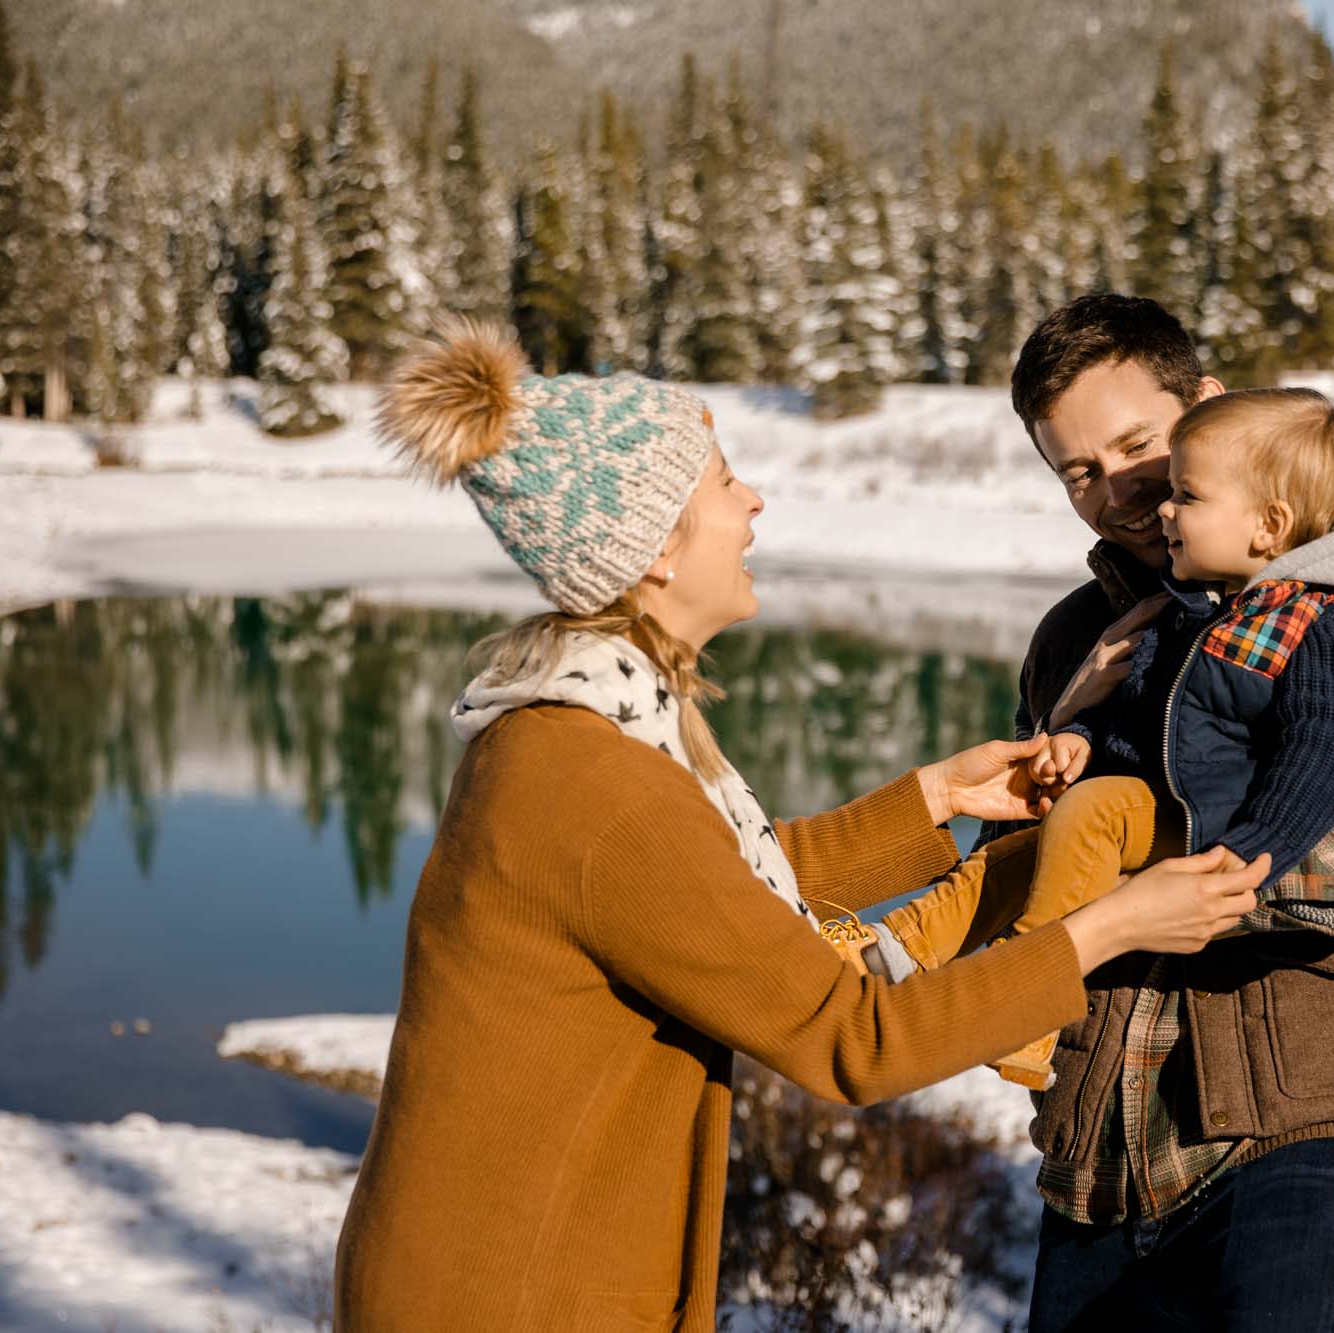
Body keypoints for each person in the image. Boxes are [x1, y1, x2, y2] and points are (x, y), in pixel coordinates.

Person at [331, 320, 1271, 1332]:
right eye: (723, 485)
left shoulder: (573, 736)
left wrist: (936, 801)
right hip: (514, 1295)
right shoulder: (592, 781)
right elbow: (852, 1038)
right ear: (654, 553)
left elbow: (707, 892)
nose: (752, 503)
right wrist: (1108, 926)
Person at [896, 294, 1334, 1333]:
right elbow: (1025, 870)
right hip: (1106, 1138)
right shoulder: (1073, 637)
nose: (1119, 487)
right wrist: (1066, 714)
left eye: (1136, 444)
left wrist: (1220, 881)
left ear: (1209, 405)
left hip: (1299, 1107)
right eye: (1077, 470)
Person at [875, 387, 1334, 1097]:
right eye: (1080, 471)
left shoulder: (1333, 620)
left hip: (1217, 830)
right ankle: (900, 945)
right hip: (1169, 806)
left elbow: (1329, 752)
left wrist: (1251, 854)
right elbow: (1147, 715)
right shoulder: (1193, 607)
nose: (1162, 505)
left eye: (1185, 494)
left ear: (1269, 526)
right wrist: (1075, 734)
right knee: (1021, 850)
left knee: (1090, 815)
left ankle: (1023, 1000)